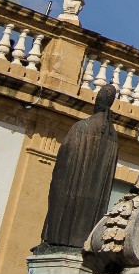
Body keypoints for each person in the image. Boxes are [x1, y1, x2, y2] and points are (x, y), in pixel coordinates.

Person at [41, 85, 119, 249]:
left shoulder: (81, 127)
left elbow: (63, 164)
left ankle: (58, 239)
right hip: (90, 209)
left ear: (97, 102)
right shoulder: (112, 136)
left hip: (68, 200)